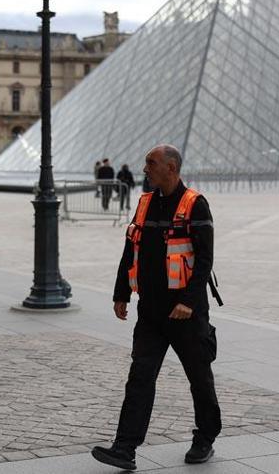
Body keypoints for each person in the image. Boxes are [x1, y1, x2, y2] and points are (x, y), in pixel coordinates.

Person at [92, 145, 221, 470]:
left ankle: (205, 437)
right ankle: (125, 448)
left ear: (171, 168)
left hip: (185, 313)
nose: (145, 168)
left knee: (199, 377)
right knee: (140, 377)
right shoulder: (145, 202)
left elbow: (205, 260)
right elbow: (130, 248)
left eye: (151, 163)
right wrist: (121, 293)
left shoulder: (195, 204)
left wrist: (188, 302)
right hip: (150, 311)